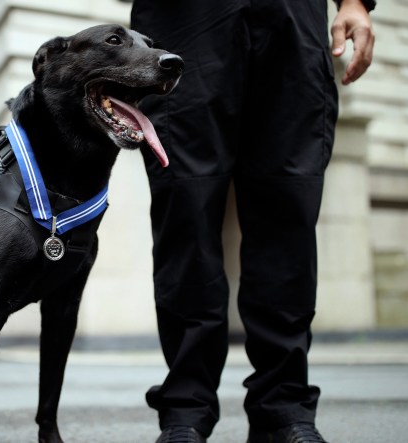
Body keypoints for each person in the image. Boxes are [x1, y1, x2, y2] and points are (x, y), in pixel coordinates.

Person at [130, 0, 375, 442]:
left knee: (288, 217)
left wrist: (356, 2)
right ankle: (186, 410)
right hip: (185, 21)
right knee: (185, 212)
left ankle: (283, 410)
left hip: (292, 20)